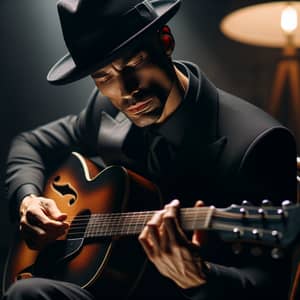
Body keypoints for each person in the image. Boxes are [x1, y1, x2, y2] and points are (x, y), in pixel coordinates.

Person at [3, 0, 297, 299]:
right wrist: (28, 199)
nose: (127, 90)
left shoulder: (257, 143)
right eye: (104, 77)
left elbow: (270, 289)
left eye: (135, 63)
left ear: (165, 41)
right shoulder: (105, 108)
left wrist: (200, 278)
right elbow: (30, 144)